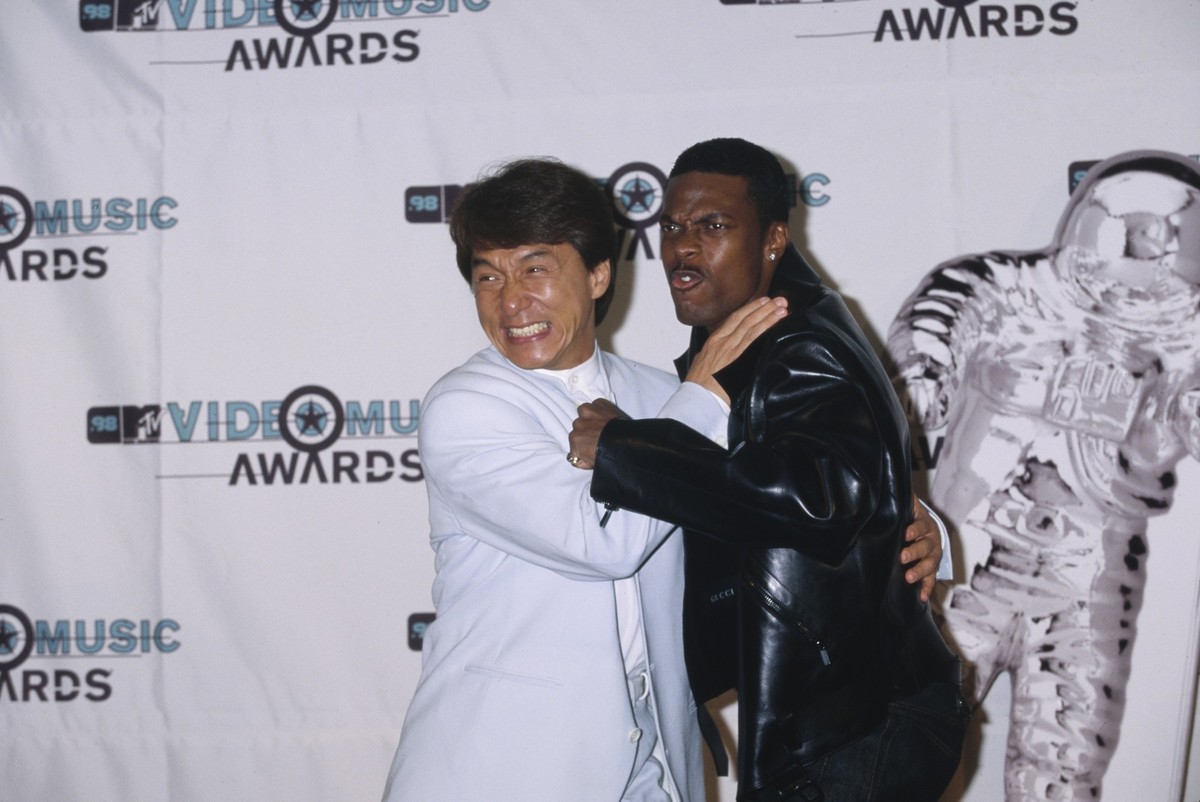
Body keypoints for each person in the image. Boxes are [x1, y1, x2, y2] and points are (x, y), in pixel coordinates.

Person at [380, 157, 792, 802]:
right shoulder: (465, 407)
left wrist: (913, 524)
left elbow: (788, 486)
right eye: (488, 276)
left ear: (599, 274)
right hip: (503, 767)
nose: (511, 302)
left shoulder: (661, 396)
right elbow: (605, 545)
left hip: (655, 760)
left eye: (535, 268)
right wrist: (704, 397)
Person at [569, 137, 966, 801]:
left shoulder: (798, 343)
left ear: (774, 240)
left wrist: (625, 450)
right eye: (671, 227)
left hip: (851, 732)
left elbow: (817, 499)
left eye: (714, 227)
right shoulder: (747, 338)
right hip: (839, 722)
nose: (683, 248)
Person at [886, 150, 1200, 801]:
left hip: (1089, 583)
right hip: (962, 561)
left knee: (1061, 768)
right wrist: (921, 376)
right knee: (902, 750)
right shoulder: (1008, 287)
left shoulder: (1189, 336)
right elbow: (937, 318)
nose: (1122, 298)